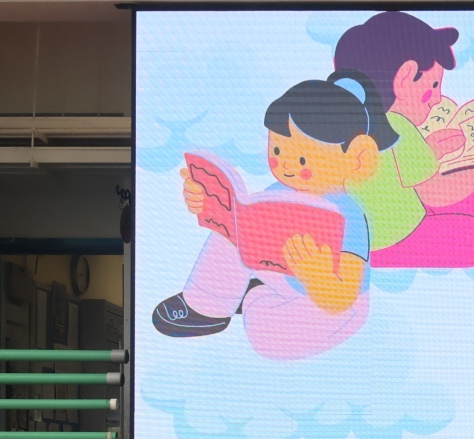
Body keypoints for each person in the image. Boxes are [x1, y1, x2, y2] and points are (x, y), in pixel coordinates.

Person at [152, 74, 379, 360]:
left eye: (302, 160)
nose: (286, 166)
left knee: (267, 336)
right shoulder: (278, 192)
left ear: (358, 158)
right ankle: (207, 305)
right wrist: (206, 201)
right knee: (230, 232)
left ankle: (251, 296)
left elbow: (343, 297)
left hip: (334, 303)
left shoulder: (350, 217)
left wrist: (318, 277)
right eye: (277, 151)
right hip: (282, 276)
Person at [332, 10, 474, 267]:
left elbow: (403, 173)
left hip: (368, 227)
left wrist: (430, 150)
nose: (437, 99)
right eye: (433, 86)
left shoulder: (350, 124)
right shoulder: (397, 126)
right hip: (389, 239)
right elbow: (434, 193)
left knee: (444, 191)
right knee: (471, 237)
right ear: (405, 78)